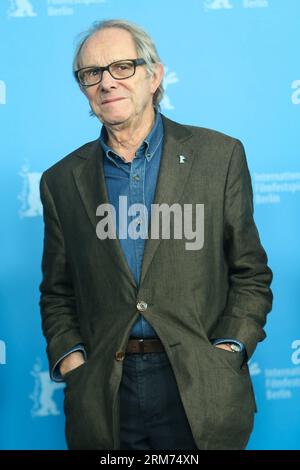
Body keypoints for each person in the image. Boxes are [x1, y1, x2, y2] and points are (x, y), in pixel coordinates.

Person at [39, 19, 273, 450]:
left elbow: (251, 274)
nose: (107, 82)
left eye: (122, 67)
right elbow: (57, 291)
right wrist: (74, 363)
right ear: (84, 89)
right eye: (92, 73)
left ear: (155, 75)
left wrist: (227, 351)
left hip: (199, 385)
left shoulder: (218, 157)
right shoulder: (60, 181)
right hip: (106, 392)